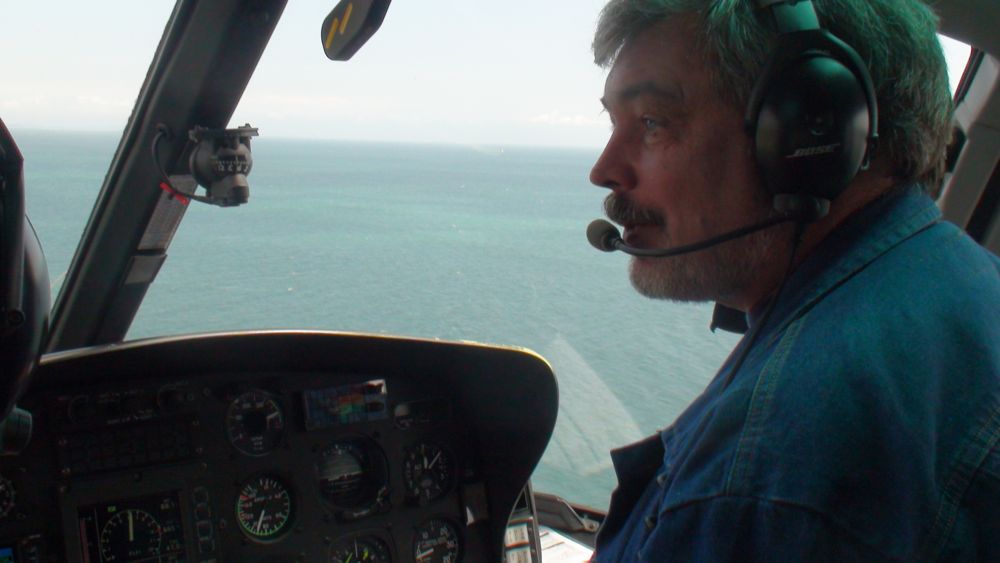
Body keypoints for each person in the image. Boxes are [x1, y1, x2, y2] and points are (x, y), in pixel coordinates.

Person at [587, 0, 1000, 560]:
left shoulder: (768, 475)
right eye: (614, 124)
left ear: (813, 132)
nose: (604, 170)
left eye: (652, 123)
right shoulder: (960, 279)